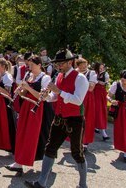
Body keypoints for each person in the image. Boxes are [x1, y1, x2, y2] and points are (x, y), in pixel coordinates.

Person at [24, 48, 89, 188]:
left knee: (77, 153)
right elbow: (55, 98)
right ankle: (41, 182)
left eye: (62, 63)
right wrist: (46, 96)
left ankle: (83, 185)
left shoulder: (80, 78)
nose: (59, 66)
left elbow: (78, 100)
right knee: (50, 148)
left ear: (70, 62)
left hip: (75, 120)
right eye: (57, 63)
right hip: (59, 118)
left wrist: (59, 91)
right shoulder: (59, 76)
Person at [5, 54, 53, 174]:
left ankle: (44, 163)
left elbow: (41, 97)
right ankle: (19, 162)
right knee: (22, 133)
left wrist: (28, 88)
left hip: (39, 109)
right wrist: (20, 91)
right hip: (27, 107)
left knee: (36, 136)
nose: (30, 67)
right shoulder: (29, 75)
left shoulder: (45, 78)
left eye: (32, 65)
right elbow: (23, 94)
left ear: (39, 65)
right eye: (29, 65)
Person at [76, 58, 97, 151]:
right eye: (82, 64)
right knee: (74, 119)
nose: (85, 66)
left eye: (86, 64)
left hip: (87, 98)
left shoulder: (91, 73)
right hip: (76, 96)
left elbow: (91, 88)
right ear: (78, 65)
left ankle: (85, 142)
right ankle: (76, 140)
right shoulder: (75, 72)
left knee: (87, 119)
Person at [93, 62, 110, 140]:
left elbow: (105, 82)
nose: (102, 69)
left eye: (103, 68)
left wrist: (101, 82)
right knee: (95, 110)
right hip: (94, 93)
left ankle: (103, 131)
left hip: (101, 94)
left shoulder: (105, 74)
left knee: (101, 111)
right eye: (100, 68)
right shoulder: (93, 73)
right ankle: (95, 126)